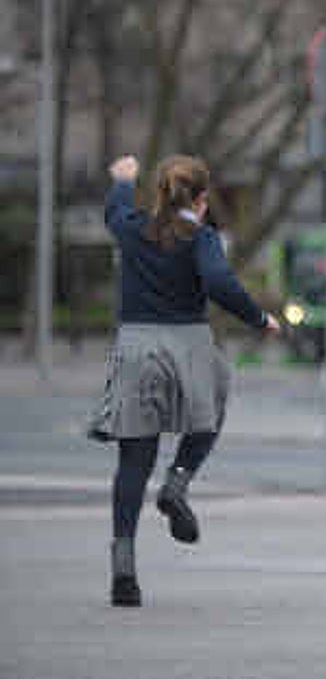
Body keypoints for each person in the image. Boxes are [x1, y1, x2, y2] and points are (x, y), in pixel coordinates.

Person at [88, 155, 280, 608]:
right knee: (210, 412)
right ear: (201, 197)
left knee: (133, 459)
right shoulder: (202, 237)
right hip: (187, 343)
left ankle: (124, 565)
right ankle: (178, 481)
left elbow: (113, 212)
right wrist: (257, 318)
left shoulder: (133, 227)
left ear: (159, 193)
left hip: (136, 345)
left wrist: (121, 181)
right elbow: (217, 280)